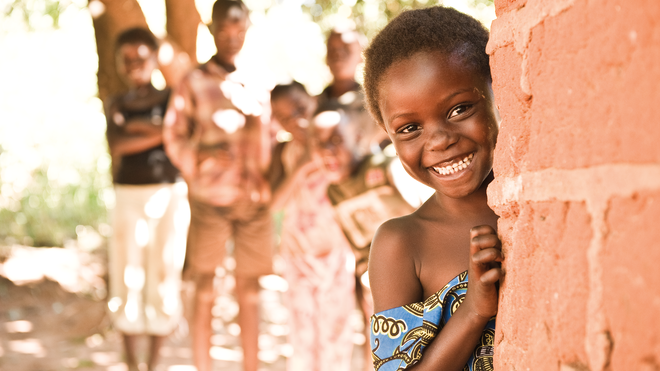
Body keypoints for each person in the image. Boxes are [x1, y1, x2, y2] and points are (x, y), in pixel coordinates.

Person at [362, 6, 504, 371]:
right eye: (410, 128)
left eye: (459, 109)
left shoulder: (536, 199)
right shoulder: (401, 244)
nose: (439, 140)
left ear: (497, 93)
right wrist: (473, 310)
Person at [162, 1, 273, 371]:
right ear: (211, 31)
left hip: (254, 200)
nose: (231, 38)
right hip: (210, 199)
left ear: (247, 29)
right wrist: (201, 158)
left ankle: (251, 367)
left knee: (251, 289)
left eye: (238, 31)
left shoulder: (260, 80)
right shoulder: (193, 81)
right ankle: (202, 365)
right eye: (223, 31)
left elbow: (274, 136)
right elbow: (173, 135)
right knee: (204, 285)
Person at [314, 107, 431, 371]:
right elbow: (359, 247)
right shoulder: (334, 192)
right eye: (319, 144)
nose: (327, 151)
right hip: (382, 291)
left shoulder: (387, 170)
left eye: (336, 140)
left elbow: (433, 215)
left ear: (357, 138)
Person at [105, 27, 189, 371]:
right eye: (126, 59)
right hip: (128, 195)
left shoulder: (173, 97)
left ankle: (153, 365)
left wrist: (136, 130)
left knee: (164, 274)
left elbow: (180, 135)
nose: (133, 64)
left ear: (155, 59)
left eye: (140, 57)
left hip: (168, 194)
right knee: (126, 273)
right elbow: (117, 145)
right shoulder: (116, 102)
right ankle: (131, 364)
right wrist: (159, 133)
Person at [269, 82, 356, 371]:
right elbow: (274, 204)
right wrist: (303, 165)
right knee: (302, 334)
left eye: (300, 109)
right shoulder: (287, 152)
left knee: (335, 333)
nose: (296, 120)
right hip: (297, 256)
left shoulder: (336, 144)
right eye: (285, 117)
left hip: (335, 253)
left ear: (313, 101)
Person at [318, 26, 387, 158]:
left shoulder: (376, 103)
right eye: (332, 50)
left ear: (361, 56)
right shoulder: (312, 105)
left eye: (346, 49)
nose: (338, 55)